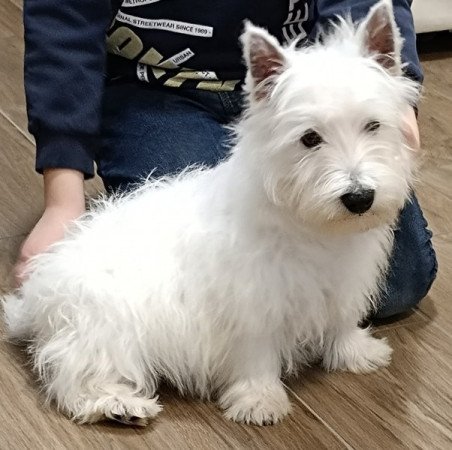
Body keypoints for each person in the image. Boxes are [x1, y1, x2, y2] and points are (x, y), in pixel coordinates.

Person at [16, 0, 437, 318]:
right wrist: (63, 199)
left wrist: (385, 100)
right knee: (200, 279)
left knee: (396, 283)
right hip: (155, 90)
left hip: (301, 89)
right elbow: (63, 21)